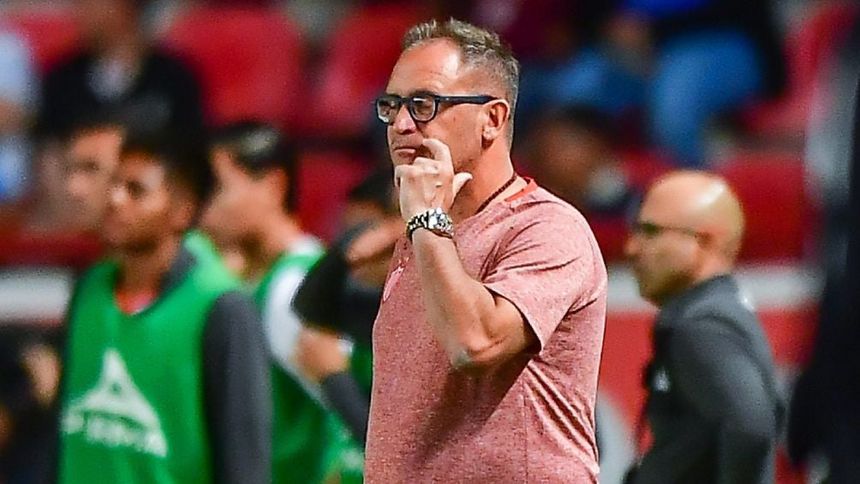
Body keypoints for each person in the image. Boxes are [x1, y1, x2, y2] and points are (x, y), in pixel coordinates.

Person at [365, 19, 608, 482]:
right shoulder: (423, 234)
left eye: (424, 105)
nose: (400, 125)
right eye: (391, 106)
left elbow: (476, 343)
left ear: (492, 119)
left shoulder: (547, 228)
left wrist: (427, 221)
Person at [57, 131, 270, 484]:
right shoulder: (89, 288)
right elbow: (60, 433)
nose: (115, 199)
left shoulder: (221, 306)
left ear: (182, 211)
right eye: (114, 184)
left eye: (136, 190)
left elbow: (244, 461)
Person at [202, 121, 362, 483]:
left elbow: (347, 423)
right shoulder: (247, 277)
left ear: (273, 186)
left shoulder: (291, 290)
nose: (203, 205)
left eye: (217, 187)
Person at [623, 171, 783, 483]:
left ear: (705, 241)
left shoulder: (703, 326)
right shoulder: (720, 311)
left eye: (650, 232)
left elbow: (750, 429)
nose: (632, 248)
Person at [37, 0, 205, 142]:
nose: (80, 12)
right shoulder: (62, 80)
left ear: (125, 6)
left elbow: (189, 147)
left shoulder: (174, 77)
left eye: (91, 3)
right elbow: (50, 150)